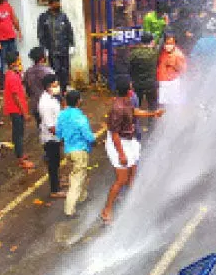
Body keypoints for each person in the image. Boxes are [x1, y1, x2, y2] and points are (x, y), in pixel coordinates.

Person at [101, 77, 164, 224]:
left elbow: (134, 112)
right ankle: (107, 210)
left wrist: (153, 114)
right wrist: (121, 154)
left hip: (129, 140)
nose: (132, 88)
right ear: (129, 91)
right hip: (119, 143)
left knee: (133, 168)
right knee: (121, 180)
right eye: (131, 86)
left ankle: (131, 197)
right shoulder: (118, 108)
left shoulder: (127, 101)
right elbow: (115, 134)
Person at [56, 91, 95, 217]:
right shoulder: (80, 117)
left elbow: (59, 133)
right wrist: (94, 140)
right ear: (78, 101)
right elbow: (88, 135)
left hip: (68, 150)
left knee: (81, 173)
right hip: (80, 150)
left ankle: (82, 197)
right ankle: (69, 209)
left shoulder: (62, 115)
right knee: (77, 179)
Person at [3, 52, 34, 170]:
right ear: (14, 63)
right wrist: (25, 113)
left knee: (18, 133)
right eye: (18, 61)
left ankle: (20, 154)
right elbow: (16, 96)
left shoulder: (12, 74)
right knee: (19, 133)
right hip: (16, 109)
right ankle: (21, 159)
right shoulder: (12, 76)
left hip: (16, 109)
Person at [37, 0, 75, 94]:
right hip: (52, 50)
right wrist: (44, 48)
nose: (58, 5)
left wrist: (72, 45)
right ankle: (57, 91)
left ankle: (64, 89)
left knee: (65, 70)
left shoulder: (63, 16)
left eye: (59, 3)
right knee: (55, 70)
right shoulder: (44, 17)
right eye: (56, 4)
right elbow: (41, 34)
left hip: (64, 48)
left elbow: (69, 31)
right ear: (50, 5)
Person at [38, 74, 65, 199]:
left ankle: (58, 182)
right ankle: (55, 190)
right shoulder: (45, 103)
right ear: (49, 86)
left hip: (55, 137)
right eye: (55, 84)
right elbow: (51, 127)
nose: (57, 86)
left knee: (57, 160)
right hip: (50, 138)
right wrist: (63, 137)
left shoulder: (52, 98)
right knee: (53, 163)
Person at [0, 0, 23, 87]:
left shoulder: (7, 5)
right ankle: (3, 84)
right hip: (0, 40)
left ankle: (17, 79)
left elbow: (14, 18)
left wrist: (19, 31)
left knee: (14, 59)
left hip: (11, 38)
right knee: (2, 62)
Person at [128, 32, 159, 116]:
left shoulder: (133, 53)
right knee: (152, 106)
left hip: (137, 84)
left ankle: (135, 124)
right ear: (152, 41)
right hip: (151, 84)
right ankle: (152, 126)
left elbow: (129, 67)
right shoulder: (155, 53)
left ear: (141, 42)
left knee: (136, 106)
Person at [24, 47, 55, 126]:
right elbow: (54, 89)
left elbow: (27, 90)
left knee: (40, 125)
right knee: (51, 125)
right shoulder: (48, 71)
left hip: (35, 104)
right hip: (48, 104)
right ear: (42, 58)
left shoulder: (28, 72)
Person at [156, 34, 187, 107]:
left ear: (174, 44)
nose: (168, 46)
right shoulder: (161, 53)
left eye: (170, 43)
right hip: (162, 82)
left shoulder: (178, 55)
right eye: (166, 43)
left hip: (172, 83)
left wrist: (174, 65)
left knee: (172, 104)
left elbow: (183, 70)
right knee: (162, 104)